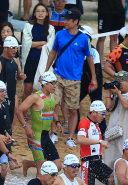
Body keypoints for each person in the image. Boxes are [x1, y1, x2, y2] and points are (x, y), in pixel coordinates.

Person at [44, 9, 97, 147]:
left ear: (76, 22)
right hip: (58, 76)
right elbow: (53, 52)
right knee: (53, 105)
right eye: (64, 19)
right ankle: (54, 133)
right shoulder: (60, 34)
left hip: (74, 79)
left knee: (73, 110)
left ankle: (70, 137)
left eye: (67, 19)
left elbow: (90, 59)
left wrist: (94, 77)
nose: (64, 22)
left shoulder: (84, 39)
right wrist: (46, 70)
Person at [15, 71, 63, 177]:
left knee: (57, 167)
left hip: (46, 136)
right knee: (42, 170)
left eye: (56, 82)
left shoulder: (52, 97)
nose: (55, 85)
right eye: (52, 83)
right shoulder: (35, 97)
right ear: (45, 84)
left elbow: (51, 111)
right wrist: (26, 127)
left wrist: (58, 122)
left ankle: (27, 163)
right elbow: (19, 111)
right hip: (35, 136)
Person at [76, 101, 116, 185]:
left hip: (98, 163)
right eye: (102, 113)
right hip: (88, 164)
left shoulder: (96, 124)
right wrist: (100, 141)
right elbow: (80, 139)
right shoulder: (84, 122)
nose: (104, 116)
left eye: (104, 113)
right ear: (94, 112)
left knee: (115, 182)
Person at [0, 36, 25, 132]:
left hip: (10, 97)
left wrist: (21, 76)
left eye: (16, 48)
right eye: (13, 48)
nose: (15, 50)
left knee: (9, 120)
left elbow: (16, 78)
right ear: (5, 48)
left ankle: (8, 137)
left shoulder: (15, 62)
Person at [20, 3, 54, 102]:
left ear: (47, 13)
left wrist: (34, 44)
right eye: (38, 11)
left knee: (44, 88)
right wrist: (43, 43)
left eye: (43, 11)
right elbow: (26, 43)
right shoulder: (28, 26)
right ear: (34, 13)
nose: (40, 13)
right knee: (28, 88)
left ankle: (40, 110)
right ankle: (24, 112)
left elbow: (50, 45)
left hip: (44, 62)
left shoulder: (51, 28)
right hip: (31, 60)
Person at [104, 71, 128, 167]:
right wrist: (109, 91)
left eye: (121, 83)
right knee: (111, 152)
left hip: (126, 127)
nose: (119, 85)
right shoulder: (116, 93)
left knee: (124, 151)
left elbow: (127, 105)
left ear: (127, 82)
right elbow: (108, 106)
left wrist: (118, 93)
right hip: (113, 127)